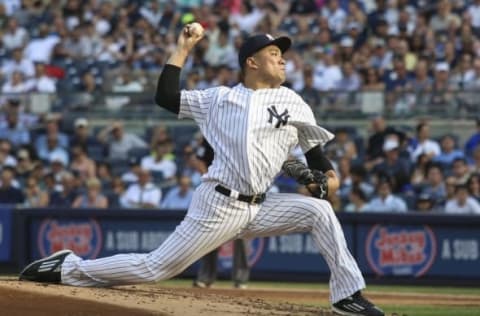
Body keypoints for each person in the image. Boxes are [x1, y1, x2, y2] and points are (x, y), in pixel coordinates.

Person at [19, 26, 384, 316]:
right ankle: (69, 268)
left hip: (260, 205)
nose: (283, 60)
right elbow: (165, 97)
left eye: (282, 54)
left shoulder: (293, 101)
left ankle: (347, 296)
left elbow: (315, 156)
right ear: (251, 62)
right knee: (155, 268)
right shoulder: (218, 98)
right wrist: (183, 48)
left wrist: (327, 179)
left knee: (320, 211)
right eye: (274, 54)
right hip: (219, 204)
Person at [192, 138, 250, 289]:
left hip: (239, 190)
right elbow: (199, 160)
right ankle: (206, 277)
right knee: (209, 233)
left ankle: (240, 279)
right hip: (215, 190)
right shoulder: (210, 135)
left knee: (241, 234)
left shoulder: (242, 134)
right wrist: (210, 180)